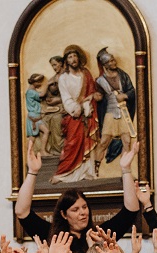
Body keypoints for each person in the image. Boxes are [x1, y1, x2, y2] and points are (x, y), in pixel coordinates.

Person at [15, 141, 141, 253]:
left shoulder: (99, 235)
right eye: (75, 209)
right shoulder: (53, 236)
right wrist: (32, 172)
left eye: (84, 207)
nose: (83, 213)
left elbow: (130, 211)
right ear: (64, 214)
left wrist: (126, 170)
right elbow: (22, 212)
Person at [52, 45, 101, 183]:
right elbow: (65, 97)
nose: (73, 59)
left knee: (87, 141)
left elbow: (91, 92)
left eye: (75, 56)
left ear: (79, 58)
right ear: (66, 61)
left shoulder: (86, 74)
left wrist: (90, 100)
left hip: (88, 111)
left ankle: (87, 171)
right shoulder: (64, 78)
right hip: (74, 114)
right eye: (70, 57)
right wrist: (75, 108)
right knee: (72, 143)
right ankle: (63, 173)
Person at [95, 48, 137, 167]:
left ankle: (125, 168)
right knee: (104, 142)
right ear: (105, 65)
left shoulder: (123, 76)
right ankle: (96, 168)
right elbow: (98, 96)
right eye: (110, 61)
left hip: (124, 112)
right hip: (110, 112)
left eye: (113, 60)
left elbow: (132, 91)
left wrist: (125, 95)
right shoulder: (100, 81)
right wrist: (97, 96)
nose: (113, 63)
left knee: (127, 141)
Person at [25, 73, 51, 157]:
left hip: (34, 116)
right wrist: (47, 84)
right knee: (44, 132)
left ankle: (32, 152)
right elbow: (42, 94)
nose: (40, 84)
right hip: (34, 116)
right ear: (34, 82)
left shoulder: (32, 91)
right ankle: (38, 151)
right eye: (39, 82)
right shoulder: (31, 92)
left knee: (33, 136)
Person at [40, 81, 65, 155]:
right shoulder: (47, 92)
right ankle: (52, 148)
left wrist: (59, 100)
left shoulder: (63, 84)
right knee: (47, 120)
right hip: (50, 112)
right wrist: (49, 101)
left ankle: (59, 147)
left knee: (57, 119)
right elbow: (43, 103)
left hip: (64, 109)